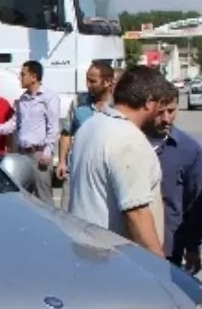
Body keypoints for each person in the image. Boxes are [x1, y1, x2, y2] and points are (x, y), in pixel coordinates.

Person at [66, 64, 171, 256]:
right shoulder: (128, 140)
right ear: (149, 103)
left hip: (84, 253)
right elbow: (136, 214)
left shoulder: (90, 126)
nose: (162, 114)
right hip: (113, 261)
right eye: (160, 105)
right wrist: (159, 268)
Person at [145, 87, 202, 272]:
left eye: (171, 111)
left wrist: (193, 247)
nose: (166, 118)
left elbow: (196, 202)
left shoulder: (189, 150)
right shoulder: (129, 142)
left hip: (170, 247)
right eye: (160, 112)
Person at [0, 60, 59, 202]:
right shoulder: (23, 99)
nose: (20, 77)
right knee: (24, 198)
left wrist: (47, 152)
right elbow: (14, 123)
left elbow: (53, 127)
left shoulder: (49, 97)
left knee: (43, 198)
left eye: (23, 74)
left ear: (33, 77)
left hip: (39, 155)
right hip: (23, 155)